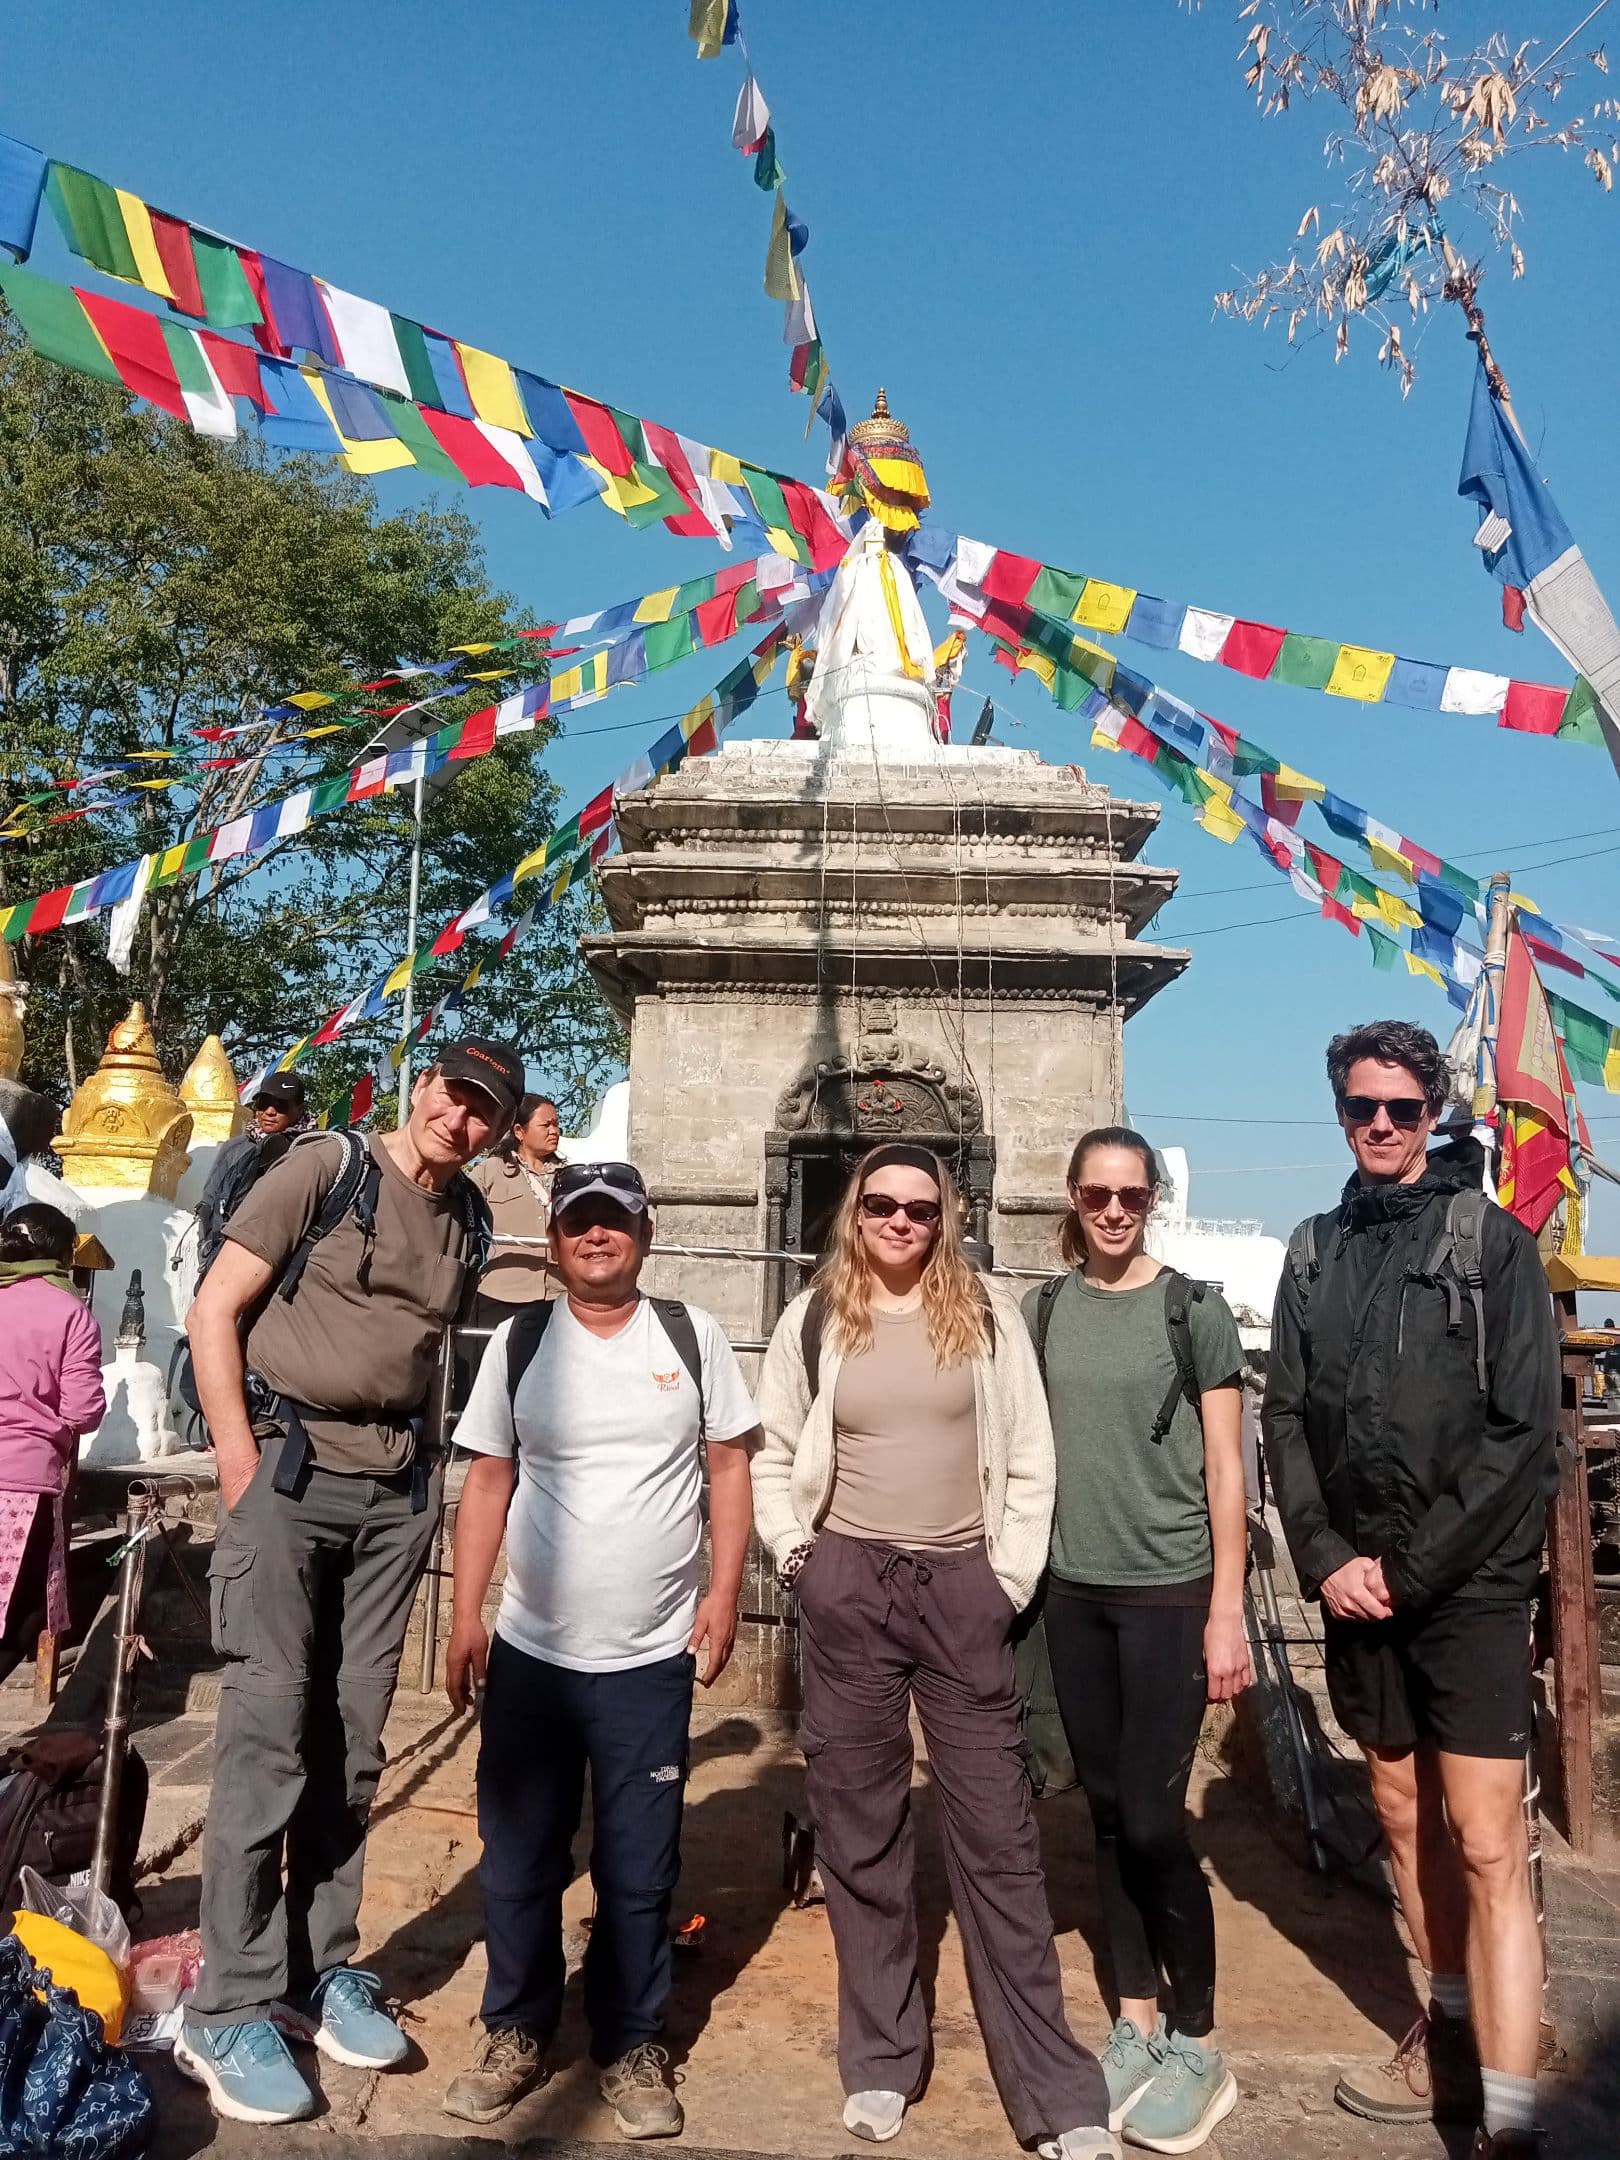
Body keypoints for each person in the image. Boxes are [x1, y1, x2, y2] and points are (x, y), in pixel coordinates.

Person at [174, 1038, 522, 2127]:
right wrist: (237, 1460)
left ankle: (317, 1970)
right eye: (453, 1094)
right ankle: (226, 2002)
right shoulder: (324, 1169)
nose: (459, 1120)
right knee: (268, 1734)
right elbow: (213, 1309)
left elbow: (428, 1356)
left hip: (391, 1495)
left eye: (485, 1113)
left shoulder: (468, 1218)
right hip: (286, 1469)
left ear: (499, 1131)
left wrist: (428, 1475)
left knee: (354, 1741)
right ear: (424, 1084)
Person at [753, 1143, 1114, 2160]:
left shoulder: (988, 1314)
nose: (902, 1222)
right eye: (883, 1205)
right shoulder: (815, 1314)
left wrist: (1003, 1580)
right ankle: (880, 2057)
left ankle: (1053, 2088)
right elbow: (775, 1448)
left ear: (944, 1215)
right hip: (851, 1585)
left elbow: (1032, 1454)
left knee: (999, 1840)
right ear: (855, 1212)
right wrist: (797, 1559)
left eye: (921, 1207)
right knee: (859, 1833)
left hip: (960, 1586)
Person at [1265, 1021, 1560, 2160]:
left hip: (1468, 1586)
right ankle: (1441, 2026)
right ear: (1339, 1112)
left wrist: (1413, 1565)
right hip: (1356, 1582)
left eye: (1399, 1108)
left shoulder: (1492, 1246)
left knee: (1487, 1842)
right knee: (1398, 1812)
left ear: (1433, 1112)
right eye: (1359, 1108)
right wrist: (1327, 1554)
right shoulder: (1312, 1251)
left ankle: (1514, 2114)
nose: (1380, 1126)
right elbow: (1285, 1415)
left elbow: (1520, 1431)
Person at [440, 1159, 760, 2138]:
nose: (595, 1237)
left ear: (645, 1236)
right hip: (534, 1652)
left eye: (613, 1223)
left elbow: (730, 1469)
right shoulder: (521, 1341)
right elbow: (489, 1482)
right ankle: (518, 2029)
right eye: (578, 1221)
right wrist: (465, 1614)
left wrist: (724, 1594)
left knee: (639, 1865)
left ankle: (630, 2044)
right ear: (554, 1242)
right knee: (521, 1856)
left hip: (650, 1655)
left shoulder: (690, 1337)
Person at [1024, 1129, 1248, 2154]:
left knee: (1157, 1821)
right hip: (1074, 1593)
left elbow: (1226, 1470)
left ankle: (1197, 2037)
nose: (1114, 1211)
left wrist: (1227, 1607)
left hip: (1169, 1591)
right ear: (1072, 1201)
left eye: (1131, 1195)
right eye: (1097, 1195)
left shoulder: (1191, 1309)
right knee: (1105, 1815)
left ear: (1150, 1198)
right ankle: (1135, 2019)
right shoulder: (1046, 1311)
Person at [0, 1205, 104, 1687]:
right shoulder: (69, 1313)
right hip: (22, 1485)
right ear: (63, 1256)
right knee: (19, 1619)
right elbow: (83, 1410)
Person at [193, 1073, 310, 1274]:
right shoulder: (235, 1148)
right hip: (227, 1250)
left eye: (281, 1105)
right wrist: (209, 1250)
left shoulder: (312, 1150)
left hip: (283, 1259)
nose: (270, 1112)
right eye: (263, 1104)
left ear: (300, 1110)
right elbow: (209, 1201)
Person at [468, 1093, 563, 1322]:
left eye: (557, 1124)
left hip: (558, 1296)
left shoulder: (570, 1176)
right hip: (499, 1295)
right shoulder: (489, 1172)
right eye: (546, 1125)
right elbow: (464, 1217)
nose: (554, 1131)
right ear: (519, 1131)